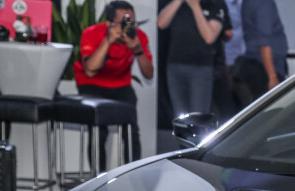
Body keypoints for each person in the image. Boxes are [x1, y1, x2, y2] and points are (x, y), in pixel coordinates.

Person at [74, 0, 153, 172]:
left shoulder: (138, 37)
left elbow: (149, 74)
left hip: (120, 84)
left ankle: (133, 172)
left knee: (131, 129)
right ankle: (97, 177)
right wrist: (108, 41)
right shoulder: (92, 33)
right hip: (91, 84)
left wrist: (138, 50)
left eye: (131, 22)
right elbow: (90, 70)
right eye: (124, 23)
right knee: (97, 131)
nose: (128, 26)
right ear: (109, 23)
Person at [158, 0, 229, 117]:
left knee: (198, 116)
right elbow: (161, 23)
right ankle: (182, 135)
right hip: (174, 65)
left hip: (200, 67)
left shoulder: (216, 3)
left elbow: (209, 37)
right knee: (179, 116)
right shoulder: (176, 3)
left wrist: (195, 7)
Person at [237, 0, 287, 104]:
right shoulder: (263, 3)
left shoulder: (248, 2)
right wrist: (272, 77)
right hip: (266, 68)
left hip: (255, 66)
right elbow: (264, 42)